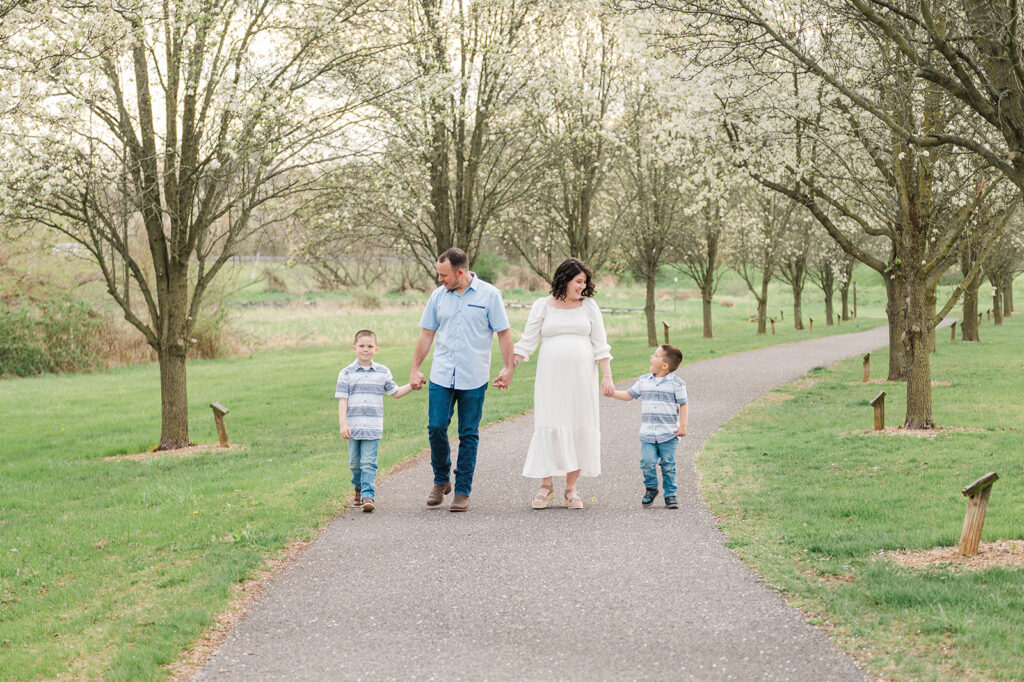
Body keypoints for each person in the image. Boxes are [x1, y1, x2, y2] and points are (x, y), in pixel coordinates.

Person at [410, 248, 516, 512]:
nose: (440, 279)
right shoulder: (438, 296)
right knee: (436, 427)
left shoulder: (490, 295)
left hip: (474, 376)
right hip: (442, 373)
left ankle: (462, 491)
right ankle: (441, 479)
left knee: (468, 433)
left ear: (460, 272)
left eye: (444, 275)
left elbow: (503, 333)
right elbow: (426, 333)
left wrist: (508, 367)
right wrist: (415, 369)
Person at [513, 258, 614, 510]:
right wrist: (509, 367)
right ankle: (546, 487)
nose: (582, 286)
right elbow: (527, 342)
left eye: (584, 282)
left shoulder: (589, 307)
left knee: (579, 423)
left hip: (582, 379)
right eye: (578, 281)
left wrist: (607, 376)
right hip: (551, 378)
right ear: (565, 280)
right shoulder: (542, 306)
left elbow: (600, 343)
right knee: (548, 423)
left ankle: (571, 489)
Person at [336, 329, 416, 513]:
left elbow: (395, 393)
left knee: (369, 462)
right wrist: (343, 424)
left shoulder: (383, 372)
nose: (366, 349)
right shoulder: (346, 373)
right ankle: (358, 488)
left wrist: (412, 386)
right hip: (353, 427)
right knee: (355, 463)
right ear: (354, 348)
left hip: (373, 427)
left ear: (376, 349)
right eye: (362, 346)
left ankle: (367, 495)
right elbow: (342, 399)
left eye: (370, 346)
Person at [607, 344, 688, 509]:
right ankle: (651, 488)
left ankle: (670, 494)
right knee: (647, 462)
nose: (651, 357)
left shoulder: (677, 384)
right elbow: (629, 395)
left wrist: (683, 426)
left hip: (669, 433)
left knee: (668, 464)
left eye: (656, 355)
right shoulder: (643, 381)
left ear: (665, 365)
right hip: (648, 434)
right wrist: (612, 393)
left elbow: (683, 405)